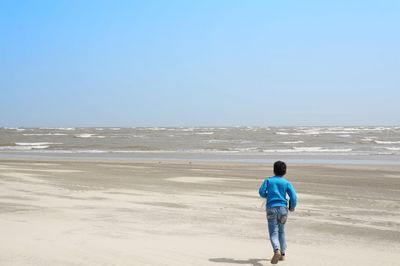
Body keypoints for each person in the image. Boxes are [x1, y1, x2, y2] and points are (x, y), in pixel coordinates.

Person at [258, 161, 297, 264]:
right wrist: (292, 207)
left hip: (271, 208)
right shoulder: (286, 182)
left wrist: (268, 195)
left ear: (274, 170)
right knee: (281, 231)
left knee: (273, 232)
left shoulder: (268, 180)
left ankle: (276, 250)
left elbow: (261, 192)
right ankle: (283, 254)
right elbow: (293, 196)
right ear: (285, 171)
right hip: (283, 209)